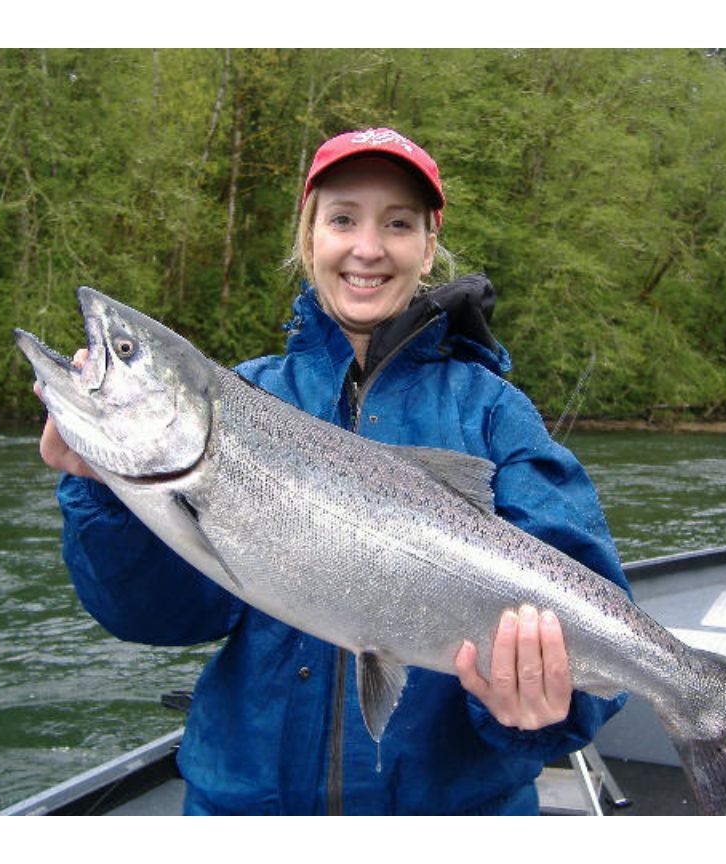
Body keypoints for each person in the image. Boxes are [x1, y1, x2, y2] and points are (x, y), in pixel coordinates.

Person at [38, 127, 631, 815]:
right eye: (343, 218)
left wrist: (539, 714)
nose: (368, 247)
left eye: (398, 224)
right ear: (309, 235)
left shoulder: (496, 414)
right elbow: (162, 617)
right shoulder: (245, 397)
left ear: (429, 245)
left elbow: (598, 626)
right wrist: (100, 487)